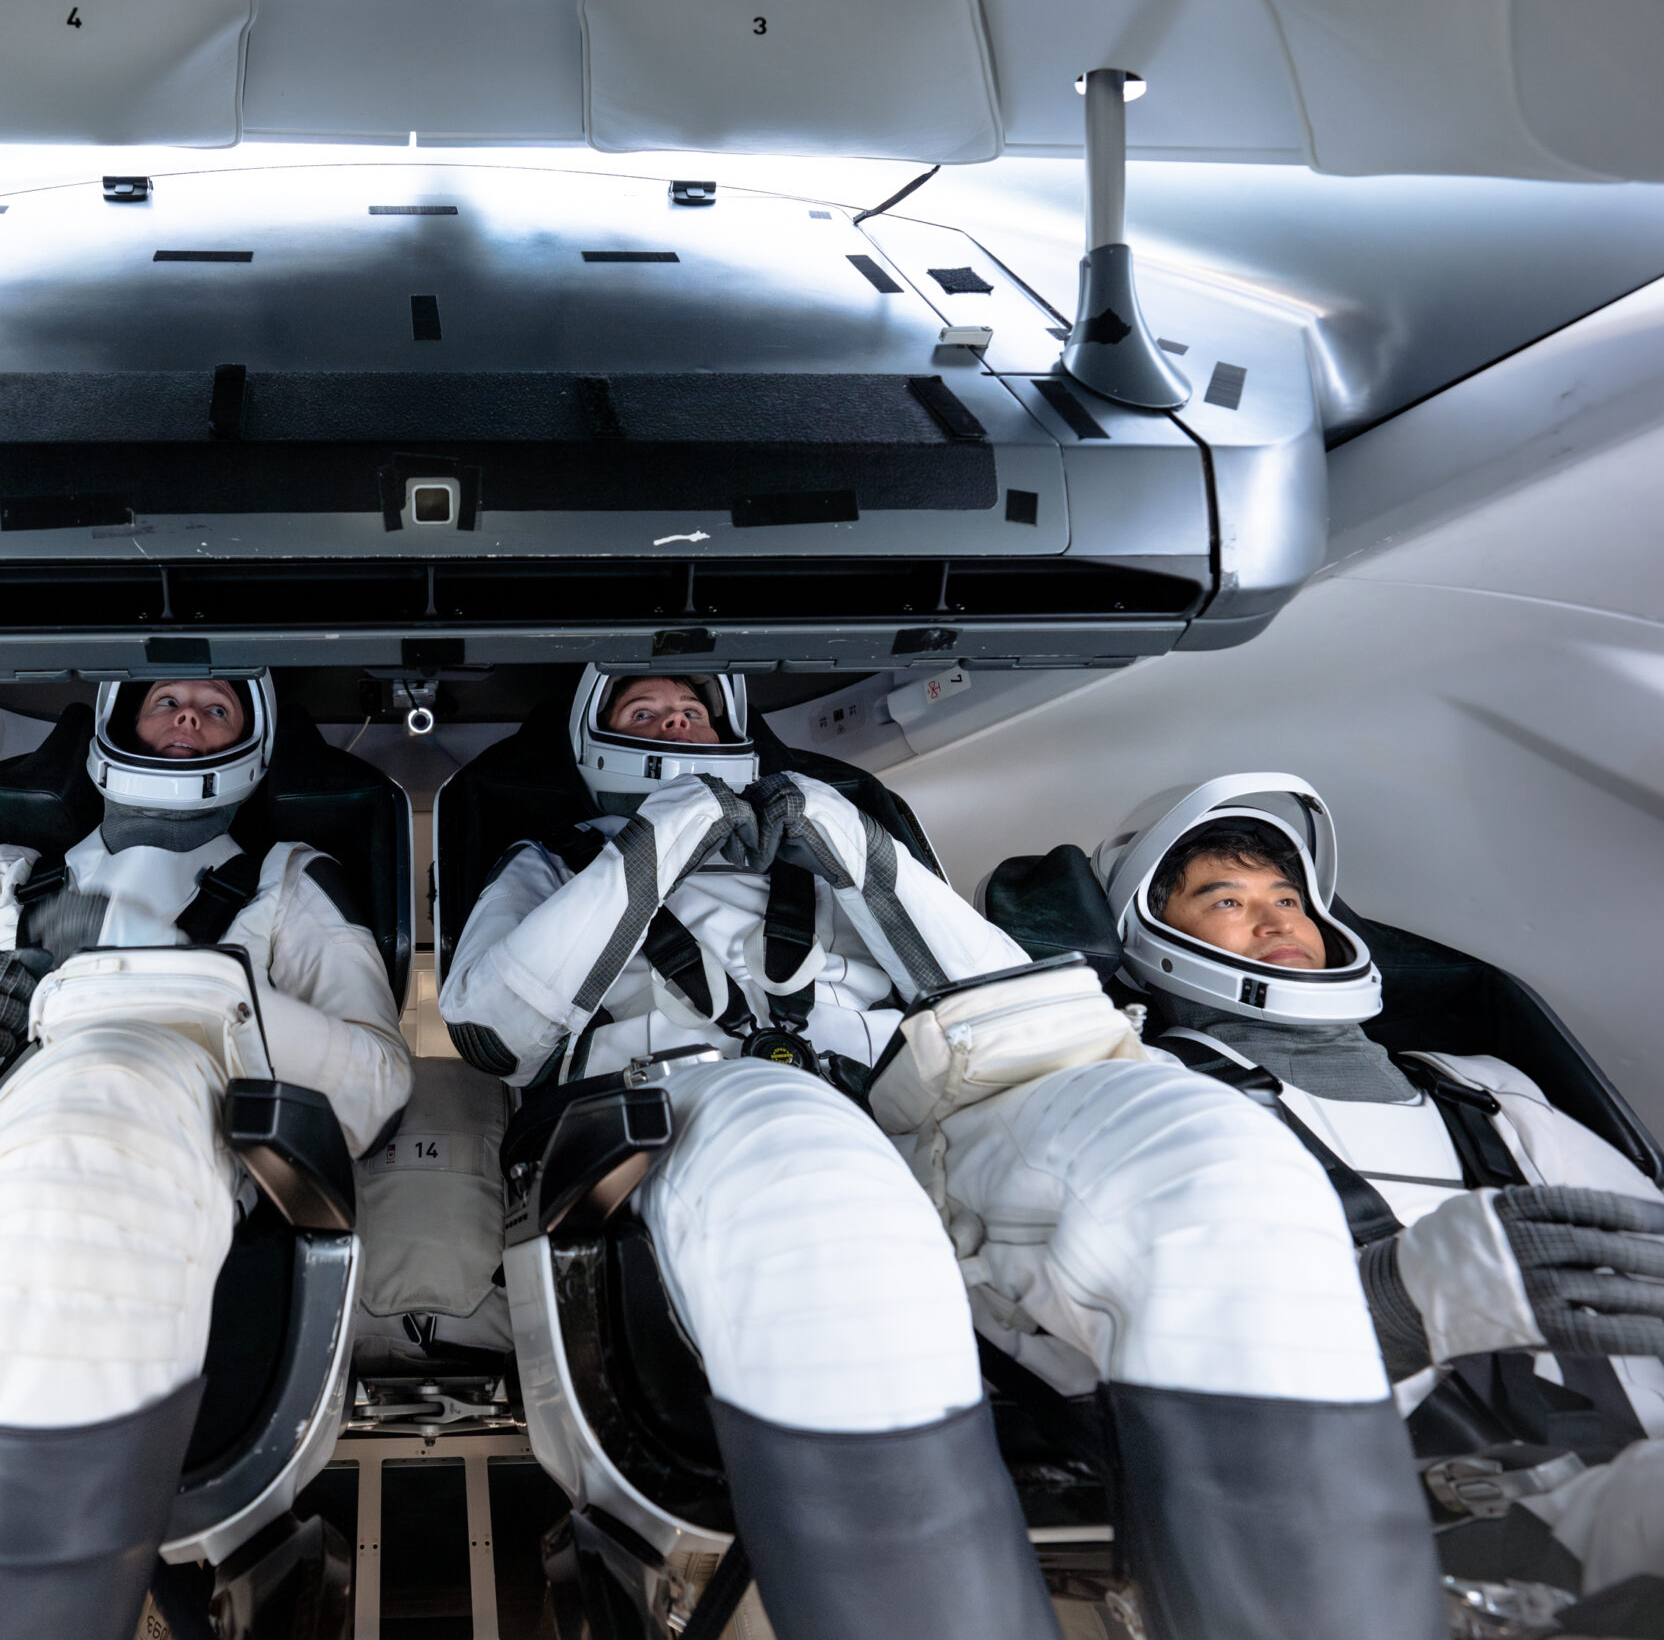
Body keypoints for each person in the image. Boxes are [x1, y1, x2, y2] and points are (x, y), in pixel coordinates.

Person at [438, 670, 1441, 1640]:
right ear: (595, 739)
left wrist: (856, 850)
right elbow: (493, 1029)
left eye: (694, 711)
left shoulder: (823, 833)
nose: (675, 725)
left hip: (919, 1104)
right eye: (645, 710)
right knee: (817, 1187)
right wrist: (662, 836)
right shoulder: (550, 859)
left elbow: (995, 995)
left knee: (1207, 1153)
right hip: (696, 1106)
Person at [0, 675, 411, 1640]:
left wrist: (170, 984)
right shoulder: (3, 877)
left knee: (98, 1088)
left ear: (253, 741)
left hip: (171, 1113)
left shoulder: (288, 880)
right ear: (116, 723)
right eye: (167, 700)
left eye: (216, 706)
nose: (188, 714)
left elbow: (379, 1079)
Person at [1099, 773, 1664, 1624]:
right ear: (1151, 933)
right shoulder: (1161, 1097)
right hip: (1416, 1531)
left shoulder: (1484, 1090)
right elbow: (1188, 1356)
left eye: (1288, 895)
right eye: (1227, 898)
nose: (1278, 919)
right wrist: (1395, 1306)